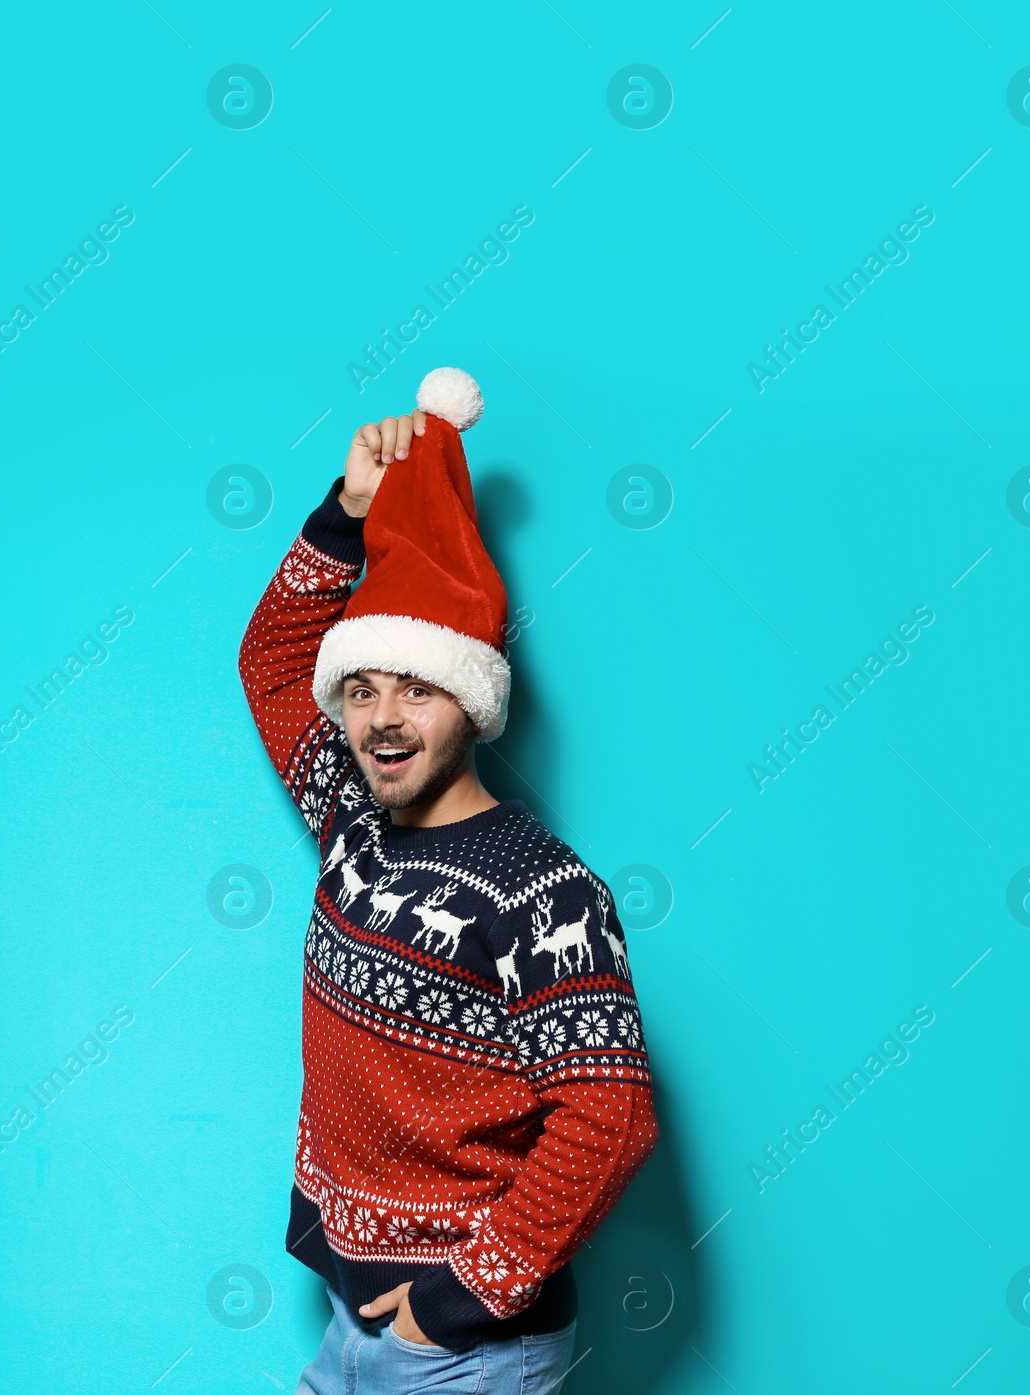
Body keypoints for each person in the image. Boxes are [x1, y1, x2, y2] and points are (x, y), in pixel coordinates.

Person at [238, 367, 659, 1394]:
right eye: (365, 690)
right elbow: (271, 661)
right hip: (351, 1308)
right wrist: (347, 514)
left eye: (418, 691)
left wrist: (461, 1294)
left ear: (469, 705)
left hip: (459, 1348)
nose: (382, 719)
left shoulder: (542, 892)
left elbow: (611, 1115)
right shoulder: (349, 819)